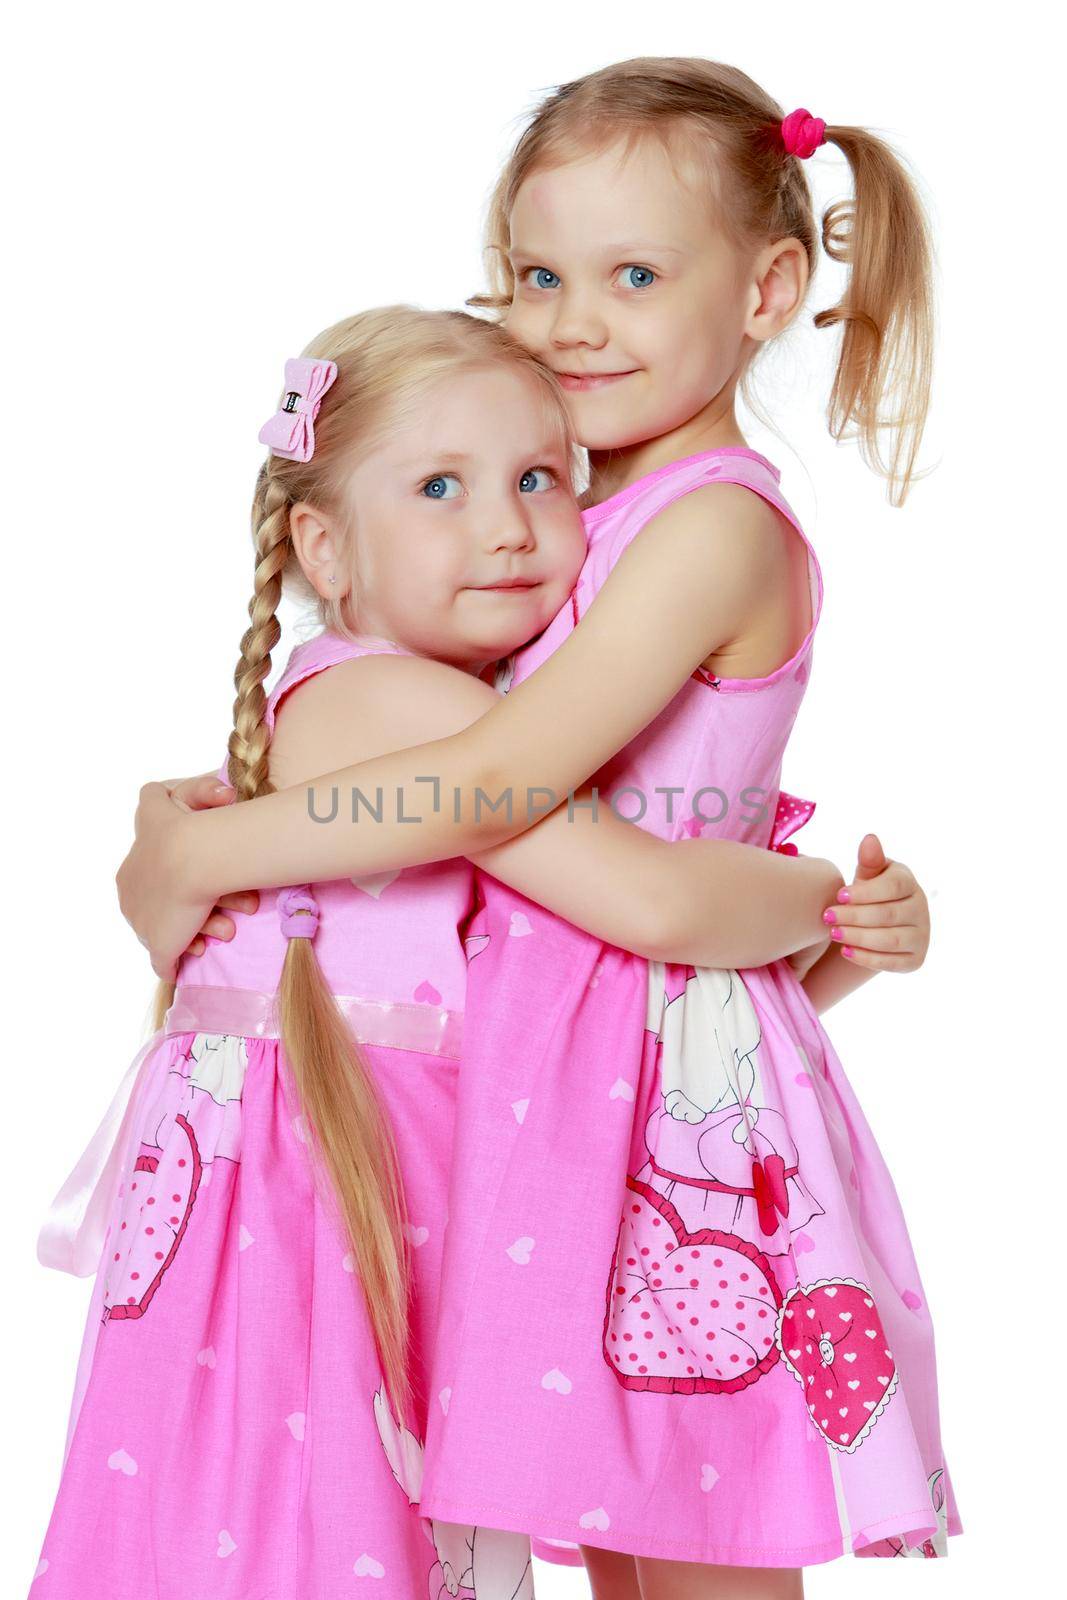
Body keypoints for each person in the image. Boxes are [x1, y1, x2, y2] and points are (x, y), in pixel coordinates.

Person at [115, 56, 953, 1599]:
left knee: (701, 1528)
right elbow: (525, 847)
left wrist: (217, 848)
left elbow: (504, 785)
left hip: (656, 1105)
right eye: (537, 274)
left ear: (770, 288)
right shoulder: (564, 516)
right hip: (569, 1076)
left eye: (635, 275)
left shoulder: (710, 523)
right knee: (615, 1538)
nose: (573, 318)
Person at [32, 305, 859, 1600]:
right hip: (333, 1196)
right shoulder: (400, 709)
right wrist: (818, 890)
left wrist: (836, 958)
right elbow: (647, 901)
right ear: (323, 543)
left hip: (376, 1182)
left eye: (542, 478)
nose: (508, 526)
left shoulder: (401, 712)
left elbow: (605, 989)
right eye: (441, 487)